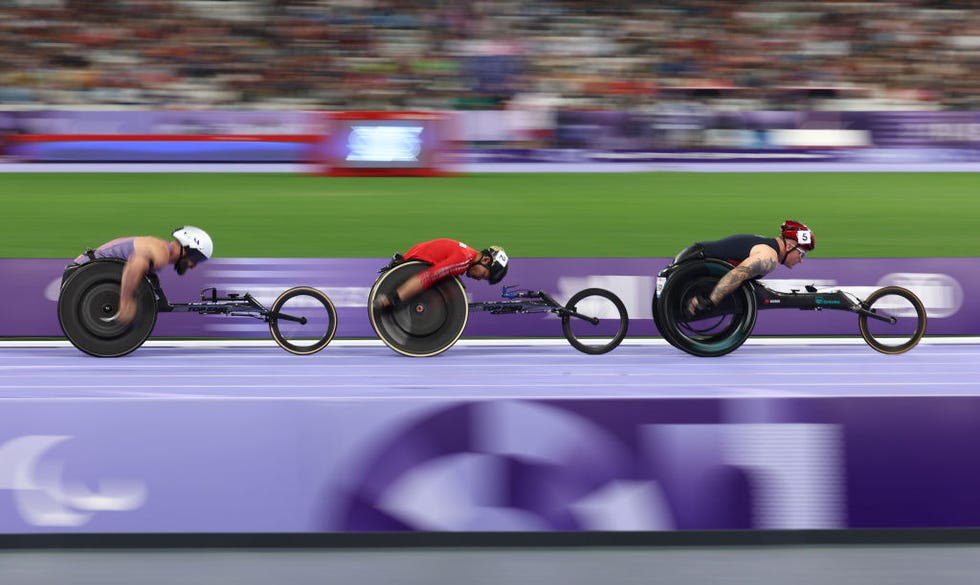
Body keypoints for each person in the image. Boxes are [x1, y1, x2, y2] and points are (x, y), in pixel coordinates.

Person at [69, 226, 214, 325]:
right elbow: (136, 265)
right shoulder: (161, 253)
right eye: (196, 259)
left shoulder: (160, 248)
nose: (194, 265)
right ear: (188, 248)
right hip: (80, 273)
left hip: (84, 269)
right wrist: (125, 302)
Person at [682, 220, 814, 315]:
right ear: (789, 247)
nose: (801, 260)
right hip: (691, 264)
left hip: (695, 259)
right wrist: (710, 300)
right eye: (801, 254)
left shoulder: (767, 247)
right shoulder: (769, 257)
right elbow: (737, 274)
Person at [373, 238, 509, 310]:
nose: (479, 279)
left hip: (416, 260)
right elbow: (429, 276)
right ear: (485, 260)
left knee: (454, 289)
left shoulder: (467, 254)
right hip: (410, 266)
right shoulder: (463, 260)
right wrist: (393, 299)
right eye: (484, 275)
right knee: (450, 290)